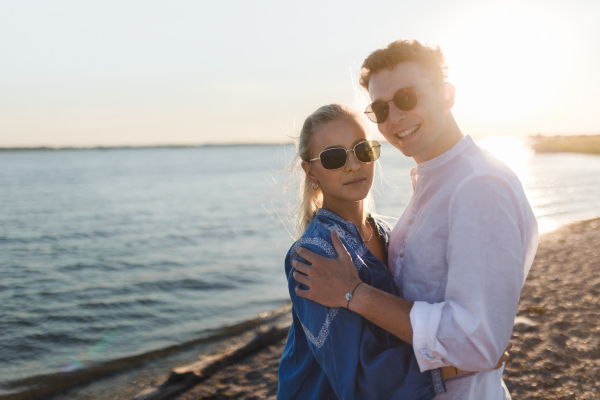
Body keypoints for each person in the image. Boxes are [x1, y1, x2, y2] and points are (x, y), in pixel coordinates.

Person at [291, 40, 538, 400]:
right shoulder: (434, 184)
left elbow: (478, 341)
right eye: (380, 109)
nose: (395, 118)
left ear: (446, 95)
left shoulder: (479, 186)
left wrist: (356, 293)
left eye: (407, 98)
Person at [277, 104, 509, 400]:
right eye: (333, 157)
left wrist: (472, 335)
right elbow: (360, 378)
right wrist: (461, 361)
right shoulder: (315, 254)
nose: (353, 165)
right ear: (310, 170)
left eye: (362, 150)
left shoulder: (387, 234)